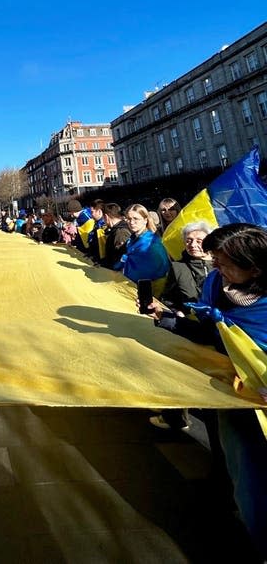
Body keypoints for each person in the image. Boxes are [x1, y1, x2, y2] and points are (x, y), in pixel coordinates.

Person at [147, 224, 267, 557]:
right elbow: (209, 336)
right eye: (214, 258)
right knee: (247, 473)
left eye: (224, 262)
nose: (215, 267)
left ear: (254, 268)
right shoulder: (215, 284)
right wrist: (170, 319)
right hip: (234, 397)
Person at [149, 220, 214, 432]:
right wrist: (174, 310)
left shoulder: (222, 267)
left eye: (198, 240)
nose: (193, 244)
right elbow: (168, 298)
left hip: (219, 333)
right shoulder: (178, 267)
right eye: (188, 240)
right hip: (188, 329)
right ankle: (177, 416)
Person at [118, 204, 170, 289]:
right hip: (133, 286)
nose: (131, 222)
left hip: (148, 290)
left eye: (136, 218)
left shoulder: (152, 243)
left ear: (145, 220)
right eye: (129, 219)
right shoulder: (132, 239)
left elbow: (151, 272)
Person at [100, 203, 131, 269]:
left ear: (106, 216)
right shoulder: (118, 230)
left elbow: (120, 259)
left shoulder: (120, 233)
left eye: (103, 218)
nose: (103, 221)